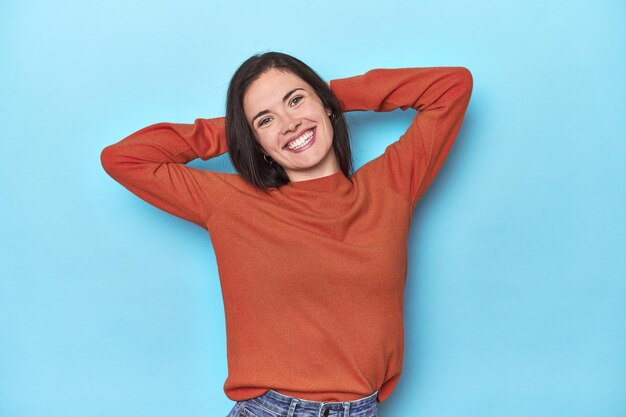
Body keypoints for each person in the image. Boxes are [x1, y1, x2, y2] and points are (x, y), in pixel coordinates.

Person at [100, 51, 473, 417]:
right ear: (255, 141)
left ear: (326, 105)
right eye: (265, 120)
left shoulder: (389, 186)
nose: (290, 123)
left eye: (296, 100)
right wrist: (237, 129)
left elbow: (451, 86)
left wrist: (326, 96)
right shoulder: (233, 204)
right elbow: (124, 158)